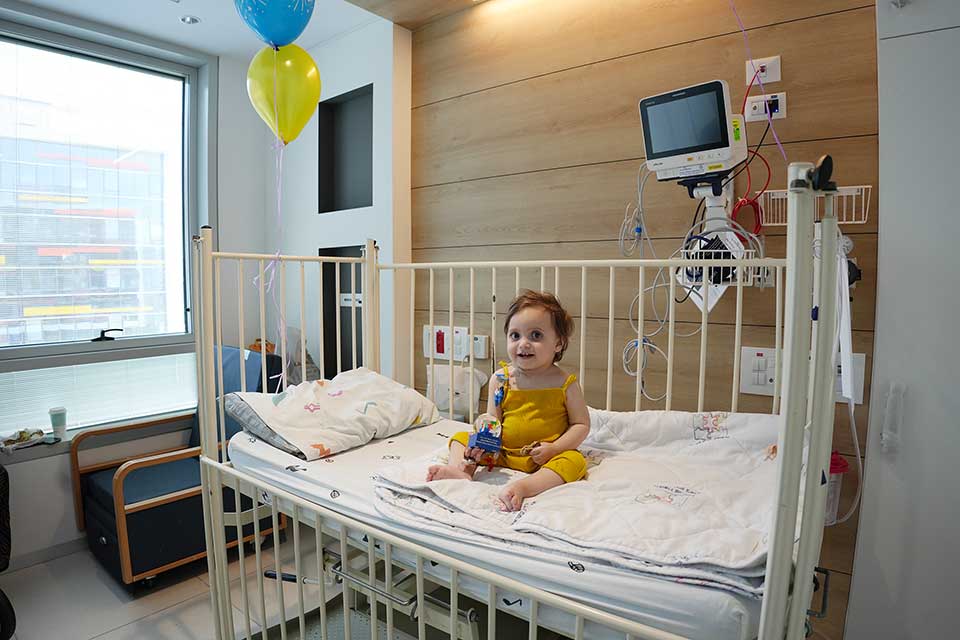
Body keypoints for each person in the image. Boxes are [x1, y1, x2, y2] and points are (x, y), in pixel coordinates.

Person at [426, 290, 590, 511]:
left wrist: (555, 448)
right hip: (501, 453)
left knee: (575, 461)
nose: (523, 343)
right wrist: (483, 444)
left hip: (542, 457)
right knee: (460, 437)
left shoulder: (565, 384)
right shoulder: (501, 379)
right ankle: (461, 470)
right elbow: (493, 421)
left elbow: (581, 425)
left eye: (536, 335)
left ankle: (525, 486)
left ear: (558, 344)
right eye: (515, 335)